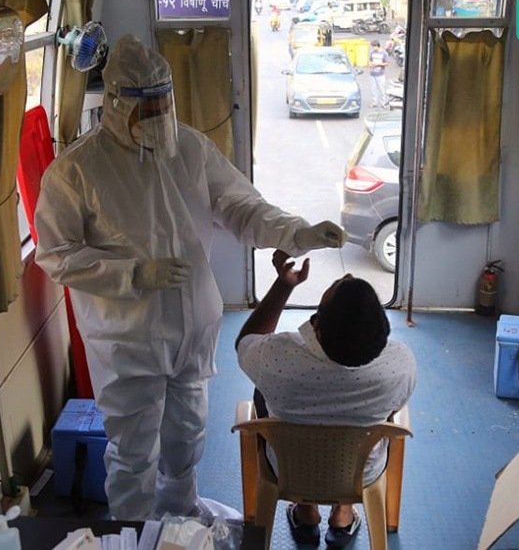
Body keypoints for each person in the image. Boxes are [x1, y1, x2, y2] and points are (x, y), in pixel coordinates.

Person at [33, 35, 347, 522]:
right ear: (116, 103)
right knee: (134, 448)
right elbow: (56, 255)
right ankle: (134, 530)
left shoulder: (190, 149)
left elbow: (241, 207)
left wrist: (298, 232)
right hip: (126, 337)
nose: (160, 115)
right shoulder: (75, 172)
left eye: (164, 101)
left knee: (186, 432)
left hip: (192, 327)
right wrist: (134, 273)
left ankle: (180, 515)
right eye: (147, 105)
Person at [235, 250, 416, 549]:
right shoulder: (400, 363)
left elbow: (246, 341)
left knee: (261, 389)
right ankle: (344, 513)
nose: (347, 276)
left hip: (287, 470)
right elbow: (392, 410)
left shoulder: (277, 357)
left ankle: (305, 512)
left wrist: (284, 284)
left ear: (317, 327)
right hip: (360, 474)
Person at [368, 40, 389, 108]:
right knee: (373, 89)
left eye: (374, 46)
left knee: (381, 89)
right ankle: (374, 102)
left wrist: (378, 64)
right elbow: (370, 60)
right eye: (373, 46)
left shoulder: (384, 53)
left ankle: (382, 103)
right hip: (372, 74)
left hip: (380, 74)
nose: (373, 48)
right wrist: (370, 64)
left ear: (378, 46)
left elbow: (387, 63)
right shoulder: (372, 53)